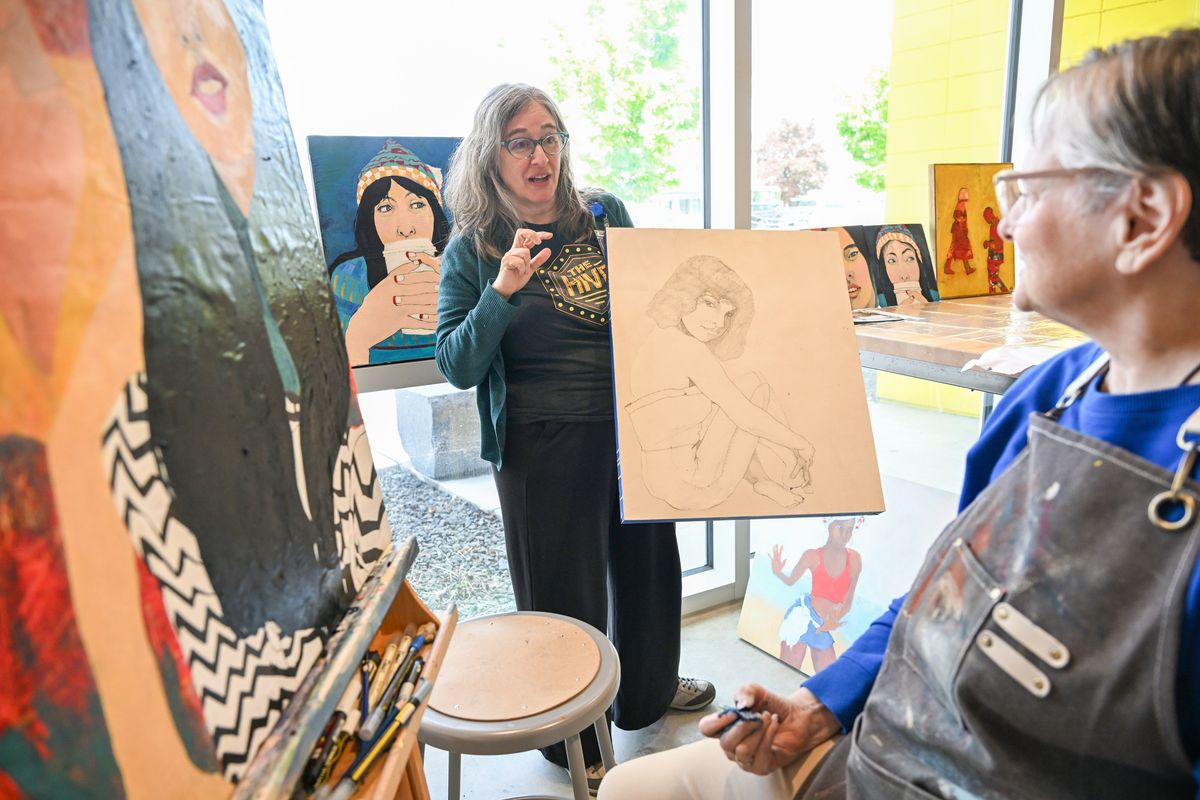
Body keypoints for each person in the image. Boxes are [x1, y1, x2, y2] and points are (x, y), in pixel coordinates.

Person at [599, 27, 1200, 799]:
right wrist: (819, 705)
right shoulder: (1047, 393)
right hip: (877, 755)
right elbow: (947, 589)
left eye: (1031, 188)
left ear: (1144, 217)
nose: (1005, 223)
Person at [434, 83, 716, 781]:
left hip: (632, 431)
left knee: (651, 571)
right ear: (490, 156)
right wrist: (500, 291)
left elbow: (655, 304)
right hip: (540, 443)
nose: (541, 154)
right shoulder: (475, 247)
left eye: (550, 136)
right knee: (565, 595)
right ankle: (573, 738)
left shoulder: (604, 213)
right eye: (521, 141)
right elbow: (457, 364)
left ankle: (645, 696)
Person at [625, 256, 815, 511]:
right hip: (696, 483)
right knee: (753, 388)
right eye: (709, 303)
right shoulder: (686, 348)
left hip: (659, 482)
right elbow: (745, 416)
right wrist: (799, 444)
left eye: (727, 314)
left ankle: (764, 479)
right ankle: (787, 466)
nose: (718, 322)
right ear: (684, 294)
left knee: (729, 408)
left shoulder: (656, 340)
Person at [329, 140, 450, 365]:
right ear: (369, 220)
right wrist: (359, 333)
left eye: (417, 205)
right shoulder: (347, 277)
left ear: (435, 211)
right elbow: (342, 379)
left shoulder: (466, 270)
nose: (405, 228)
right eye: (385, 208)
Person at [771, 517, 862, 673]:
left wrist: (834, 620)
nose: (846, 534)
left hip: (821, 626)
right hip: (801, 616)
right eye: (840, 527)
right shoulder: (812, 556)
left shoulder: (854, 559)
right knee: (787, 671)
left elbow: (849, 597)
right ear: (829, 526)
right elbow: (791, 580)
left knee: (829, 677)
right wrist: (778, 572)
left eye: (850, 529)